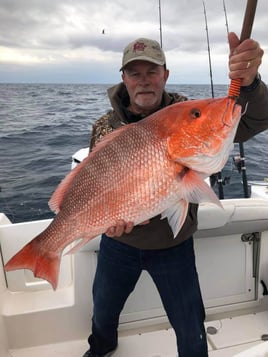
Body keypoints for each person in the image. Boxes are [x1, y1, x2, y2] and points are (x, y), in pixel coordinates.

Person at [83, 35, 268, 357]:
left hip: (174, 243)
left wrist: (249, 85)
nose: (144, 81)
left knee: (189, 321)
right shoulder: (104, 126)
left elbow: (254, 118)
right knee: (103, 310)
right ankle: (100, 348)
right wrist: (105, 222)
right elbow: (95, 183)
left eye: (151, 72)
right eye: (135, 73)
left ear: (165, 75)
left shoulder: (190, 114)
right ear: (124, 78)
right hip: (118, 245)